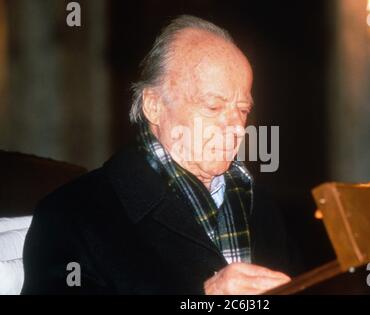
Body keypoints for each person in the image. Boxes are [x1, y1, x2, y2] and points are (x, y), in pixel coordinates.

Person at [22, 15, 293, 295]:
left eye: (242, 110)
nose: (236, 127)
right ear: (153, 106)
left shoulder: (260, 206)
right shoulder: (72, 215)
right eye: (213, 107)